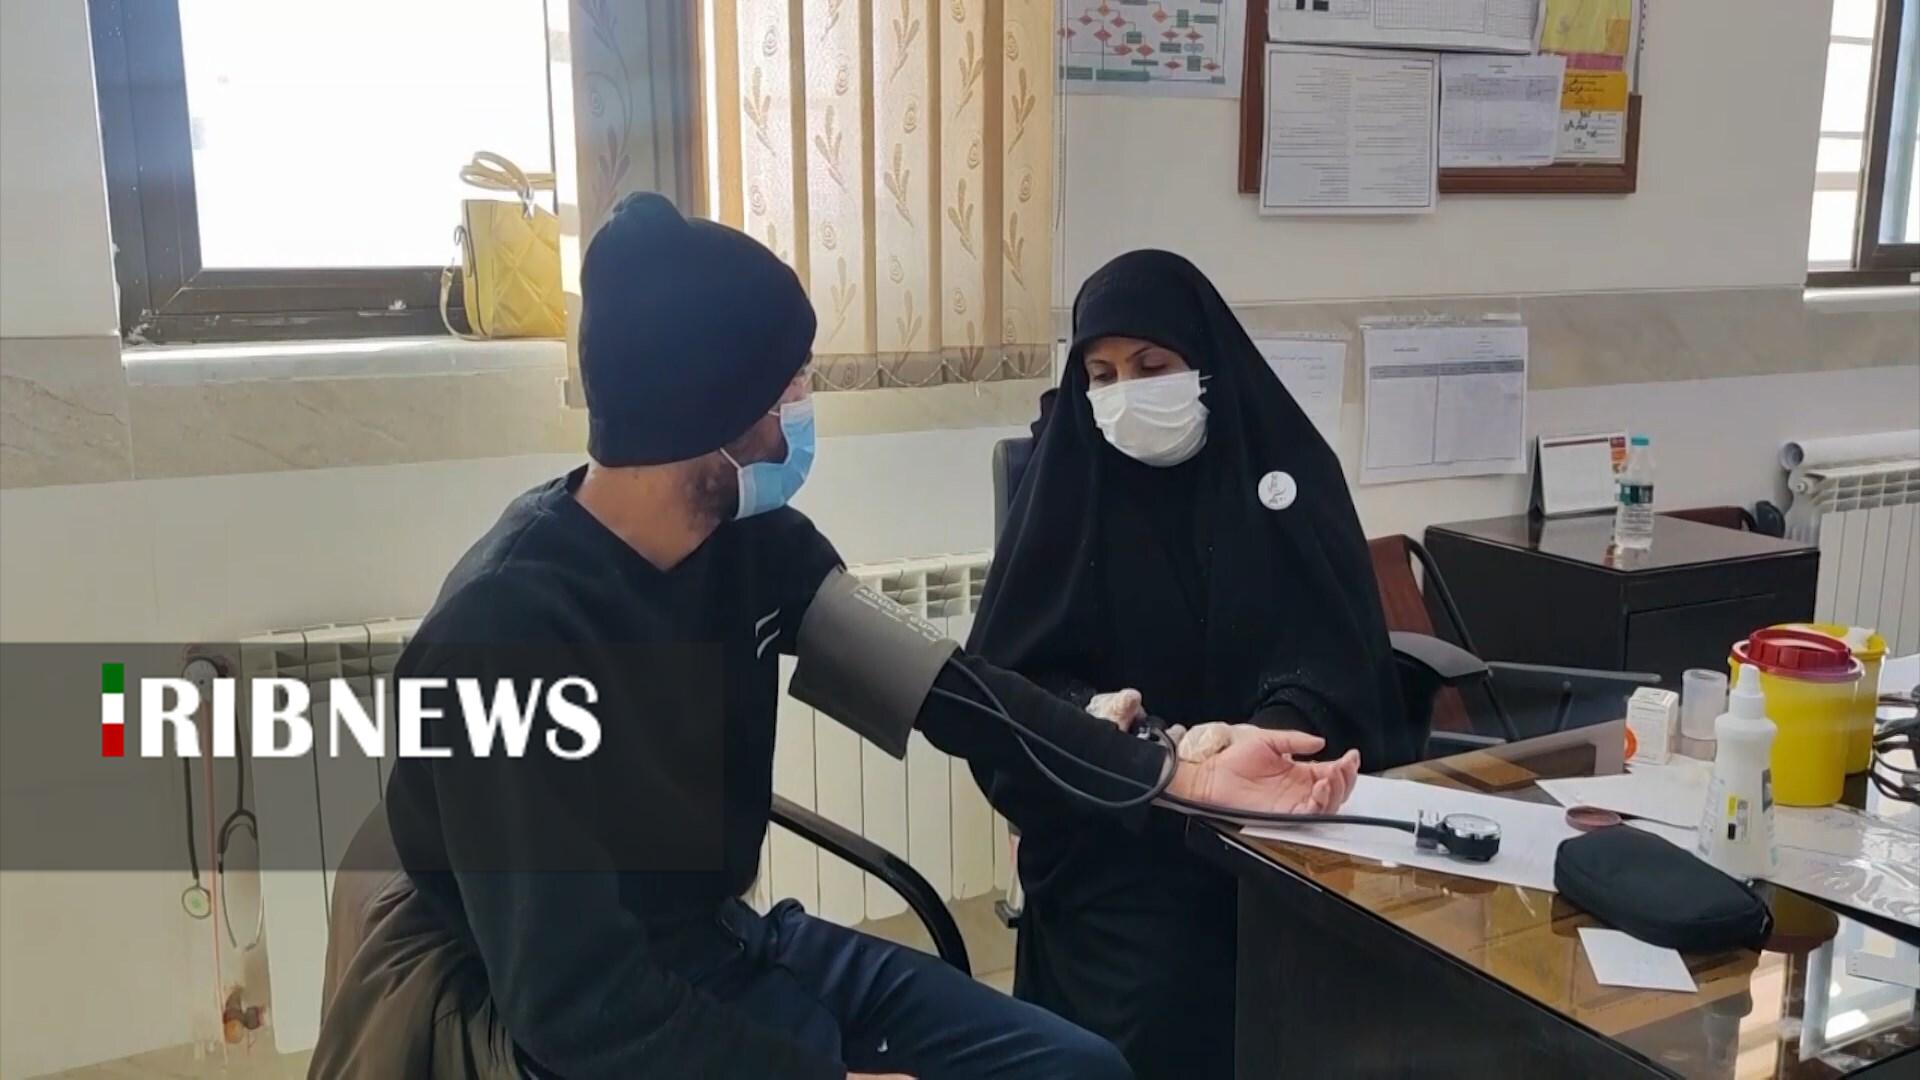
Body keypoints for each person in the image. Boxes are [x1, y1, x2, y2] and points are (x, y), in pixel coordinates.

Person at [377, 201, 1363, 1080]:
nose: (801, 419)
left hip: (727, 944)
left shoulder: (756, 545)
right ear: (711, 416)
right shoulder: (502, 640)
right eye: (789, 392)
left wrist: (1174, 773)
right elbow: (577, 1007)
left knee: (1078, 1065)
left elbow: (953, 695)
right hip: (591, 1025)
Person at [968, 249, 1421, 1080]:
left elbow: (1333, 657)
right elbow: (1011, 681)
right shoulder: (1070, 491)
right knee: (1161, 991)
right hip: (1119, 832)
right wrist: (1110, 723)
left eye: (1152, 367)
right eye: (1101, 375)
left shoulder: (1287, 475)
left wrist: (1271, 730)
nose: (1124, 393)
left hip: (1275, 822)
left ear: (1206, 363)